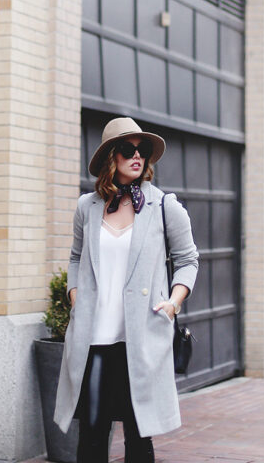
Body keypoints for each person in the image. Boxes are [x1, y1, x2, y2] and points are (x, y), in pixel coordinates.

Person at [53, 117, 199, 462]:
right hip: (94, 339)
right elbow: (75, 258)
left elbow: (189, 260)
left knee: (138, 436)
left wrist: (173, 303)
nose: (138, 156)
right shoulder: (86, 207)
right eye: (128, 149)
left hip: (141, 335)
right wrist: (76, 297)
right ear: (110, 157)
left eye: (143, 150)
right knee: (91, 433)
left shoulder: (164, 206)